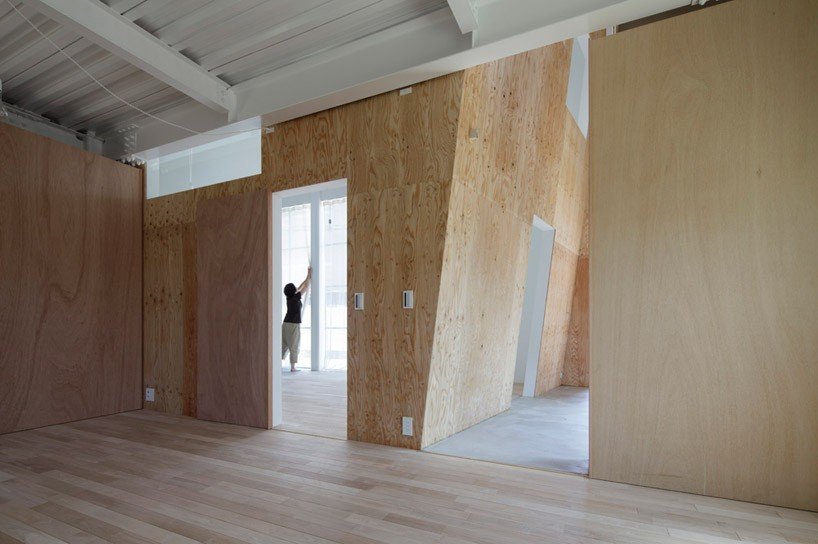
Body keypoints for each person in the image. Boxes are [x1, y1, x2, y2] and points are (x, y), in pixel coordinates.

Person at [282, 267, 311, 372]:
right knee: (294, 345)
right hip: (293, 324)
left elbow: (300, 287)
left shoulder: (289, 297)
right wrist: (309, 276)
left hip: (285, 323)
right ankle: (293, 367)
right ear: (293, 290)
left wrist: (307, 276)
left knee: (284, 344)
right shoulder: (296, 297)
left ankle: (275, 362)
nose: (296, 287)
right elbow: (305, 286)